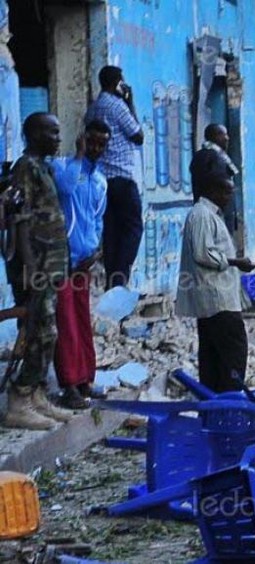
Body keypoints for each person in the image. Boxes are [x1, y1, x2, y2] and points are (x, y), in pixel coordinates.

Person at [2, 113, 75, 429]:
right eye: (52, 132)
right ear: (34, 134)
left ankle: (36, 395)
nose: (59, 138)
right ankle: (19, 398)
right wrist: (31, 268)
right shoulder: (25, 169)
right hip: (36, 267)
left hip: (51, 265)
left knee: (47, 331)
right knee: (39, 330)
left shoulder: (43, 167)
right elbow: (20, 222)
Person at [176, 172, 255, 393]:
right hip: (216, 298)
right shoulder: (202, 215)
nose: (229, 197)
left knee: (213, 357)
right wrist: (234, 262)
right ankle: (229, 401)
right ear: (213, 191)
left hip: (216, 298)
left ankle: (214, 405)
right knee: (234, 352)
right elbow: (203, 253)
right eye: (227, 191)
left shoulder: (210, 215)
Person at [50, 120, 110, 409]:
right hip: (61, 260)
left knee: (83, 322)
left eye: (102, 144)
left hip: (84, 262)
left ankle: (86, 378)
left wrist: (95, 251)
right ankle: (69, 385)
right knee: (66, 324)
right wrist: (78, 155)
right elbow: (64, 189)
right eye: (93, 142)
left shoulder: (101, 180)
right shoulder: (63, 166)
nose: (96, 148)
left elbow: (97, 219)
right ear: (83, 139)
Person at [84, 65, 144, 291]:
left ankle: (112, 278)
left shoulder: (93, 108)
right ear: (118, 83)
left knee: (111, 231)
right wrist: (130, 102)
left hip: (101, 180)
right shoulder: (119, 106)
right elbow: (138, 135)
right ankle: (120, 279)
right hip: (121, 177)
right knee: (133, 228)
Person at [190, 124, 238, 203]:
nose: (227, 138)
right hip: (210, 205)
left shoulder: (216, 155)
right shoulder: (212, 156)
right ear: (214, 136)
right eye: (222, 134)